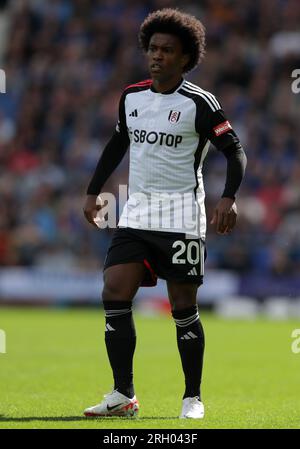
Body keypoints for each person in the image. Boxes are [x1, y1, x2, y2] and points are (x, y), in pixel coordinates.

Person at [83, 8, 246, 419]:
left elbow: (235, 152)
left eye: (167, 50)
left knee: (182, 307)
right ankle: (123, 395)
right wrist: (92, 191)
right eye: (153, 48)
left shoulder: (200, 103)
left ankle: (192, 397)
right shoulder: (131, 97)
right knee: (114, 291)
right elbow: (117, 145)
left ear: (185, 57)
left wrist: (228, 197)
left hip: (181, 216)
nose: (157, 56)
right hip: (136, 212)